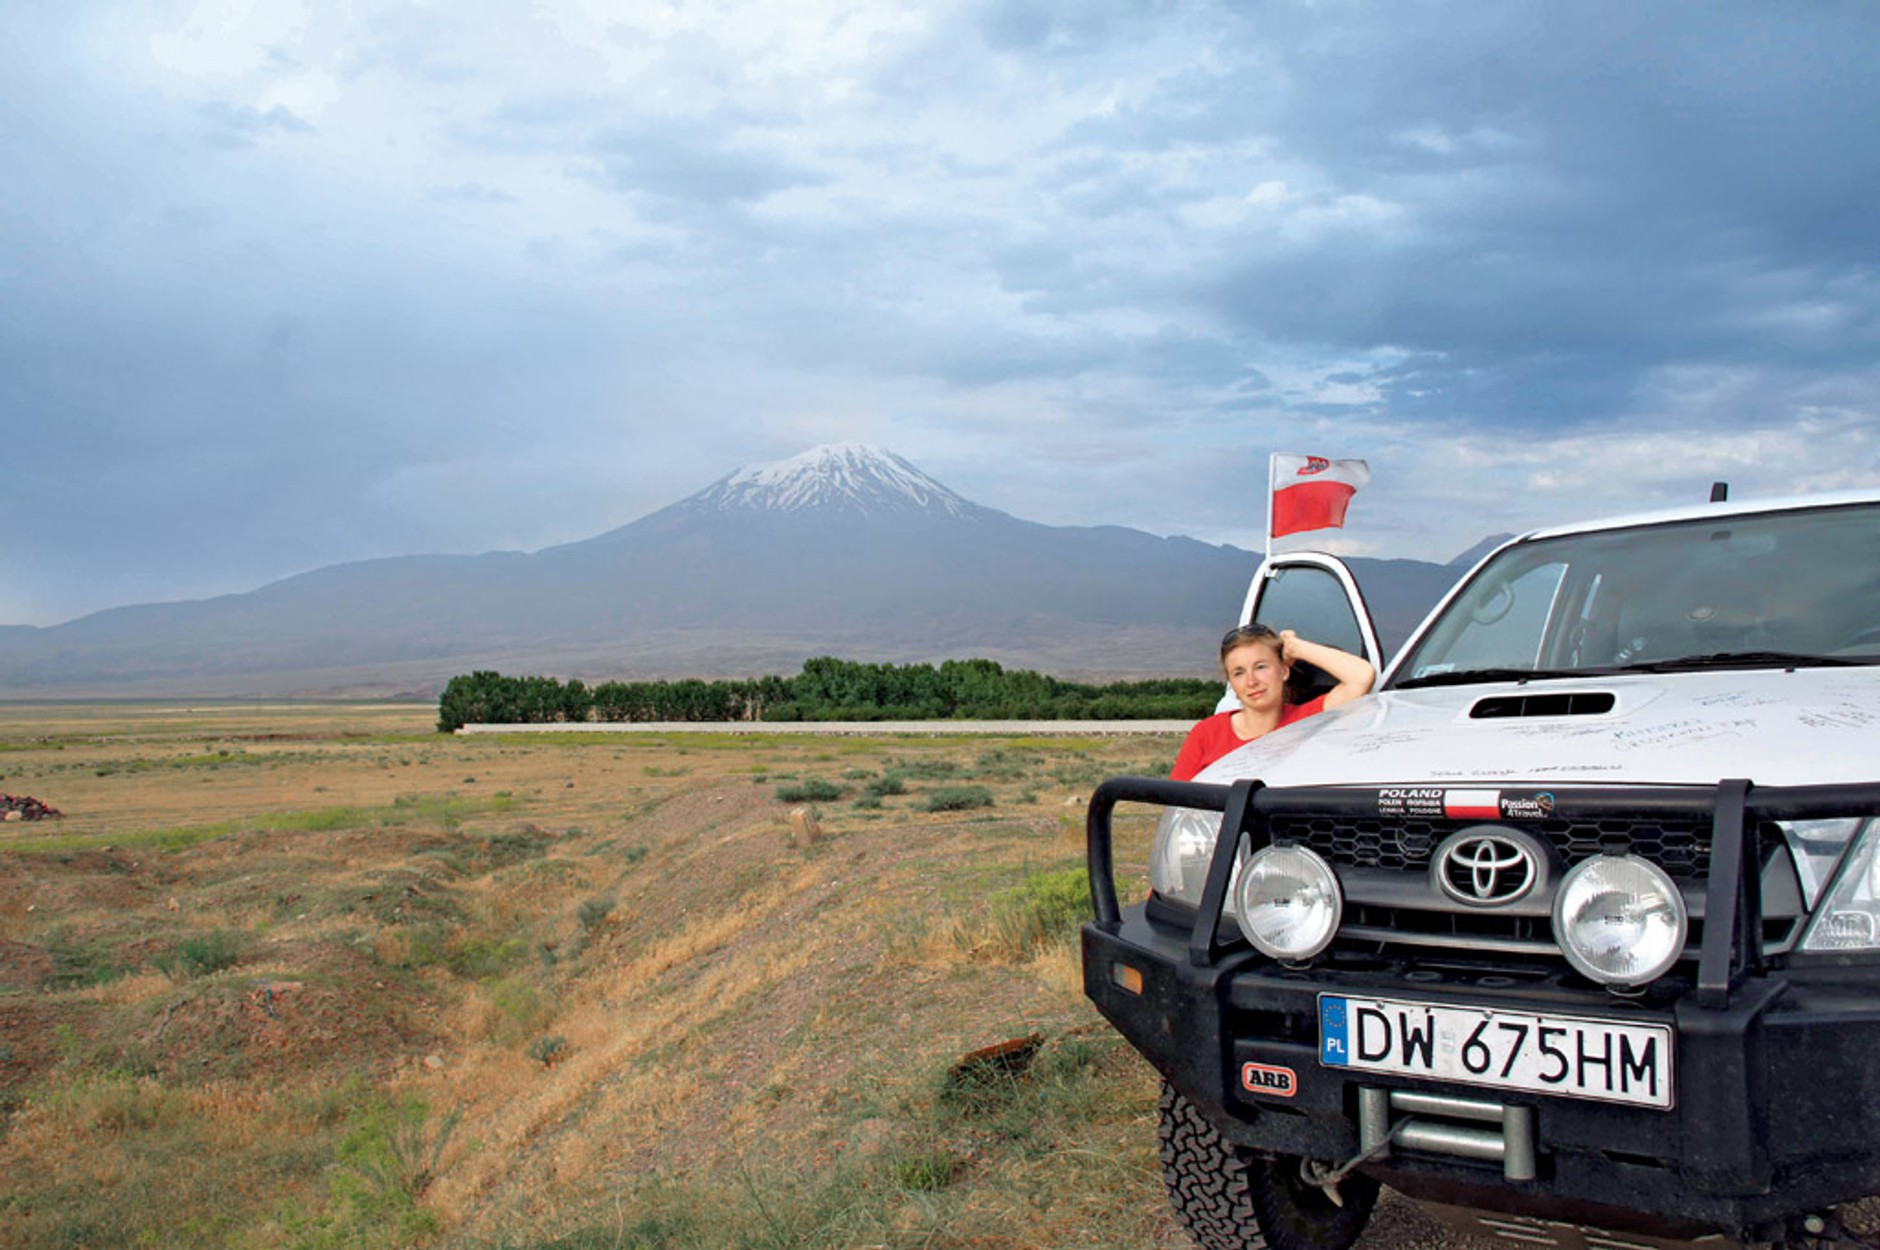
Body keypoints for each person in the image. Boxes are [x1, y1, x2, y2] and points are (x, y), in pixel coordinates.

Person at [1170, 623, 1376, 781]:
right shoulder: (1206, 734)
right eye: (1239, 673)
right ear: (1231, 683)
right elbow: (1176, 803)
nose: (1252, 681)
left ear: (1284, 671)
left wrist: (1296, 648)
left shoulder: (1307, 721)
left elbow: (1362, 677)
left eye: (1261, 667)